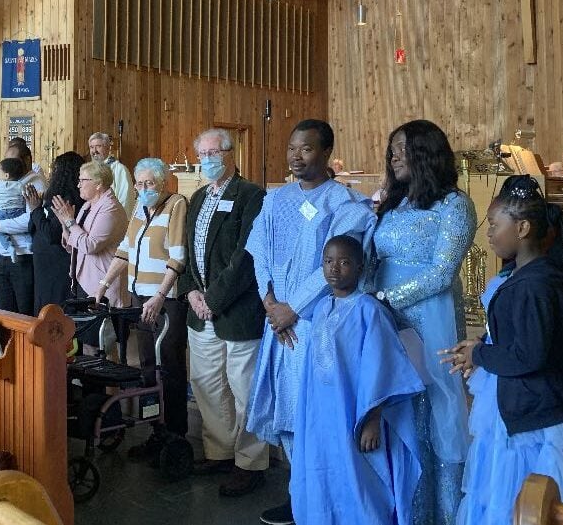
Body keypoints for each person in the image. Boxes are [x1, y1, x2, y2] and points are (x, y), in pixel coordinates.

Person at [443, 176, 563, 524]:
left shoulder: (534, 285)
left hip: (536, 417)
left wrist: (480, 355)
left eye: (494, 226)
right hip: (530, 405)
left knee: (526, 500)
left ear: (521, 227)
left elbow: (528, 356)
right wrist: (482, 344)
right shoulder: (527, 277)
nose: (488, 234)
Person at [246, 119, 377, 525]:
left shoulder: (344, 204)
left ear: (325, 153)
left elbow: (337, 265)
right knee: (286, 411)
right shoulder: (276, 199)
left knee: (316, 411)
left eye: (306, 149)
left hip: (318, 323)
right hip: (278, 321)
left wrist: (293, 308)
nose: (296, 157)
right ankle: (296, 492)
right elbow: (260, 251)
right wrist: (270, 302)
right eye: (291, 148)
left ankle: (326, 495)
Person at [372, 119, 476, 524]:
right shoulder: (393, 205)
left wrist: (385, 299)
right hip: (385, 319)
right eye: (392, 149)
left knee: (434, 413)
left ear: (427, 153)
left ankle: (442, 513)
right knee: (397, 410)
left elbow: (442, 273)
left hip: (428, 318)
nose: (394, 156)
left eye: (403, 148)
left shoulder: (454, 205)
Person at [291, 235, 424, 525]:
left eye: (344, 262)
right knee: (323, 470)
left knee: (357, 476)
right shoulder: (321, 309)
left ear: (360, 267)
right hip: (320, 416)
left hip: (354, 415)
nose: (334, 269)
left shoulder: (369, 310)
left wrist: (373, 418)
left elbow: (382, 369)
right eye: (328, 262)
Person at [179, 128, 269, 497]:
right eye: (202, 153)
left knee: (245, 389)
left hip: (238, 309)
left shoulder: (251, 195)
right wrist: (191, 294)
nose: (207, 159)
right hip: (200, 310)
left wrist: (213, 299)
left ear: (231, 154)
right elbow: (184, 252)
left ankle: (250, 463)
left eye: (214, 152)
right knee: (207, 383)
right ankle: (219, 452)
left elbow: (246, 257)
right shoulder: (198, 196)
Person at [97, 158, 189, 461]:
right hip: (140, 297)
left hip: (165, 300)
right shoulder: (139, 207)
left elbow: (178, 256)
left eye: (150, 183)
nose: (144, 188)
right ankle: (155, 430)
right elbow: (125, 249)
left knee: (170, 366)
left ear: (163, 183)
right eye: (140, 183)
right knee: (148, 367)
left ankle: (175, 434)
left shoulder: (176, 204)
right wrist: (104, 282)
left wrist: (161, 295)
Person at [54, 160, 128, 307]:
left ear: (98, 184)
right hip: (83, 280)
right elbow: (75, 244)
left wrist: (70, 221)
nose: (78, 185)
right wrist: (64, 224)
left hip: (102, 285)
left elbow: (90, 246)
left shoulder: (111, 208)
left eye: (82, 180)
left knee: (104, 330)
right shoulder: (87, 205)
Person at [0, 144, 46, 315]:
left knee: (23, 313)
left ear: (27, 160)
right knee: (5, 313)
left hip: (24, 257)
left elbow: (29, 221)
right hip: (2, 256)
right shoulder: (6, 183)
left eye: (14, 160)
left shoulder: (34, 183)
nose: (11, 165)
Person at [28, 152, 86, 312]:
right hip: (45, 260)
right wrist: (36, 209)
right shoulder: (56, 195)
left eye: (55, 169)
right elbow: (33, 228)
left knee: (53, 308)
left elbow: (51, 234)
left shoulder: (66, 198)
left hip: (56, 261)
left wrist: (35, 210)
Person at [89, 132, 136, 217]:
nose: (94, 151)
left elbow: (125, 200)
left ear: (107, 148)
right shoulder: (90, 171)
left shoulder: (119, 169)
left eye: (98, 146)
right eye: (91, 147)